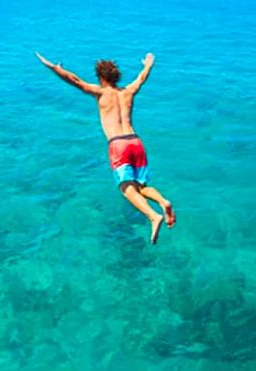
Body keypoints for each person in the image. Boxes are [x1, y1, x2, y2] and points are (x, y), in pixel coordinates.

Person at [35, 52, 176, 244]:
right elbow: (141, 79)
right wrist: (148, 65)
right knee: (141, 186)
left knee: (125, 187)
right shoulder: (128, 91)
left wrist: (53, 67)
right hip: (135, 141)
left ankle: (153, 216)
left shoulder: (100, 92)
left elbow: (74, 80)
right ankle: (162, 201)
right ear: (115, 76)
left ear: (101, 77)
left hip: (118, 144)